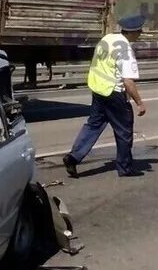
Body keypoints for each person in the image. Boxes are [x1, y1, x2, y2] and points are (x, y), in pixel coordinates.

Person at [62, 14, 148, 178]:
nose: (141, 33)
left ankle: (73, 157)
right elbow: (128, 81)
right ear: (134, 32)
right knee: (123, 131)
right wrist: (139, 102)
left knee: (93, 126)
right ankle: (125, 168)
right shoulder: (126, 51)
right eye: (140, 31)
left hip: (98, 90)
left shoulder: (107, 39)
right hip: (114, 93)